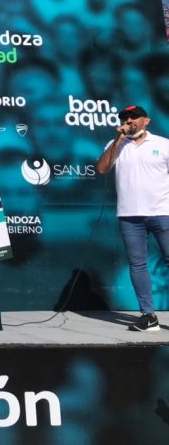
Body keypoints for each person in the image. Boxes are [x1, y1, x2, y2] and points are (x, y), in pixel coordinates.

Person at [96, 104, 169, 332]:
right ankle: (149, 316)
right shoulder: (116, 144)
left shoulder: (163, 144)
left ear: (146, 121)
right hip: (129, 217)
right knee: (138, 265)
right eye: (126, 118)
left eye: (134, 117)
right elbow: (102, 169)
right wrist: (118, 140)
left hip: (162, 213)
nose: (129, 121)